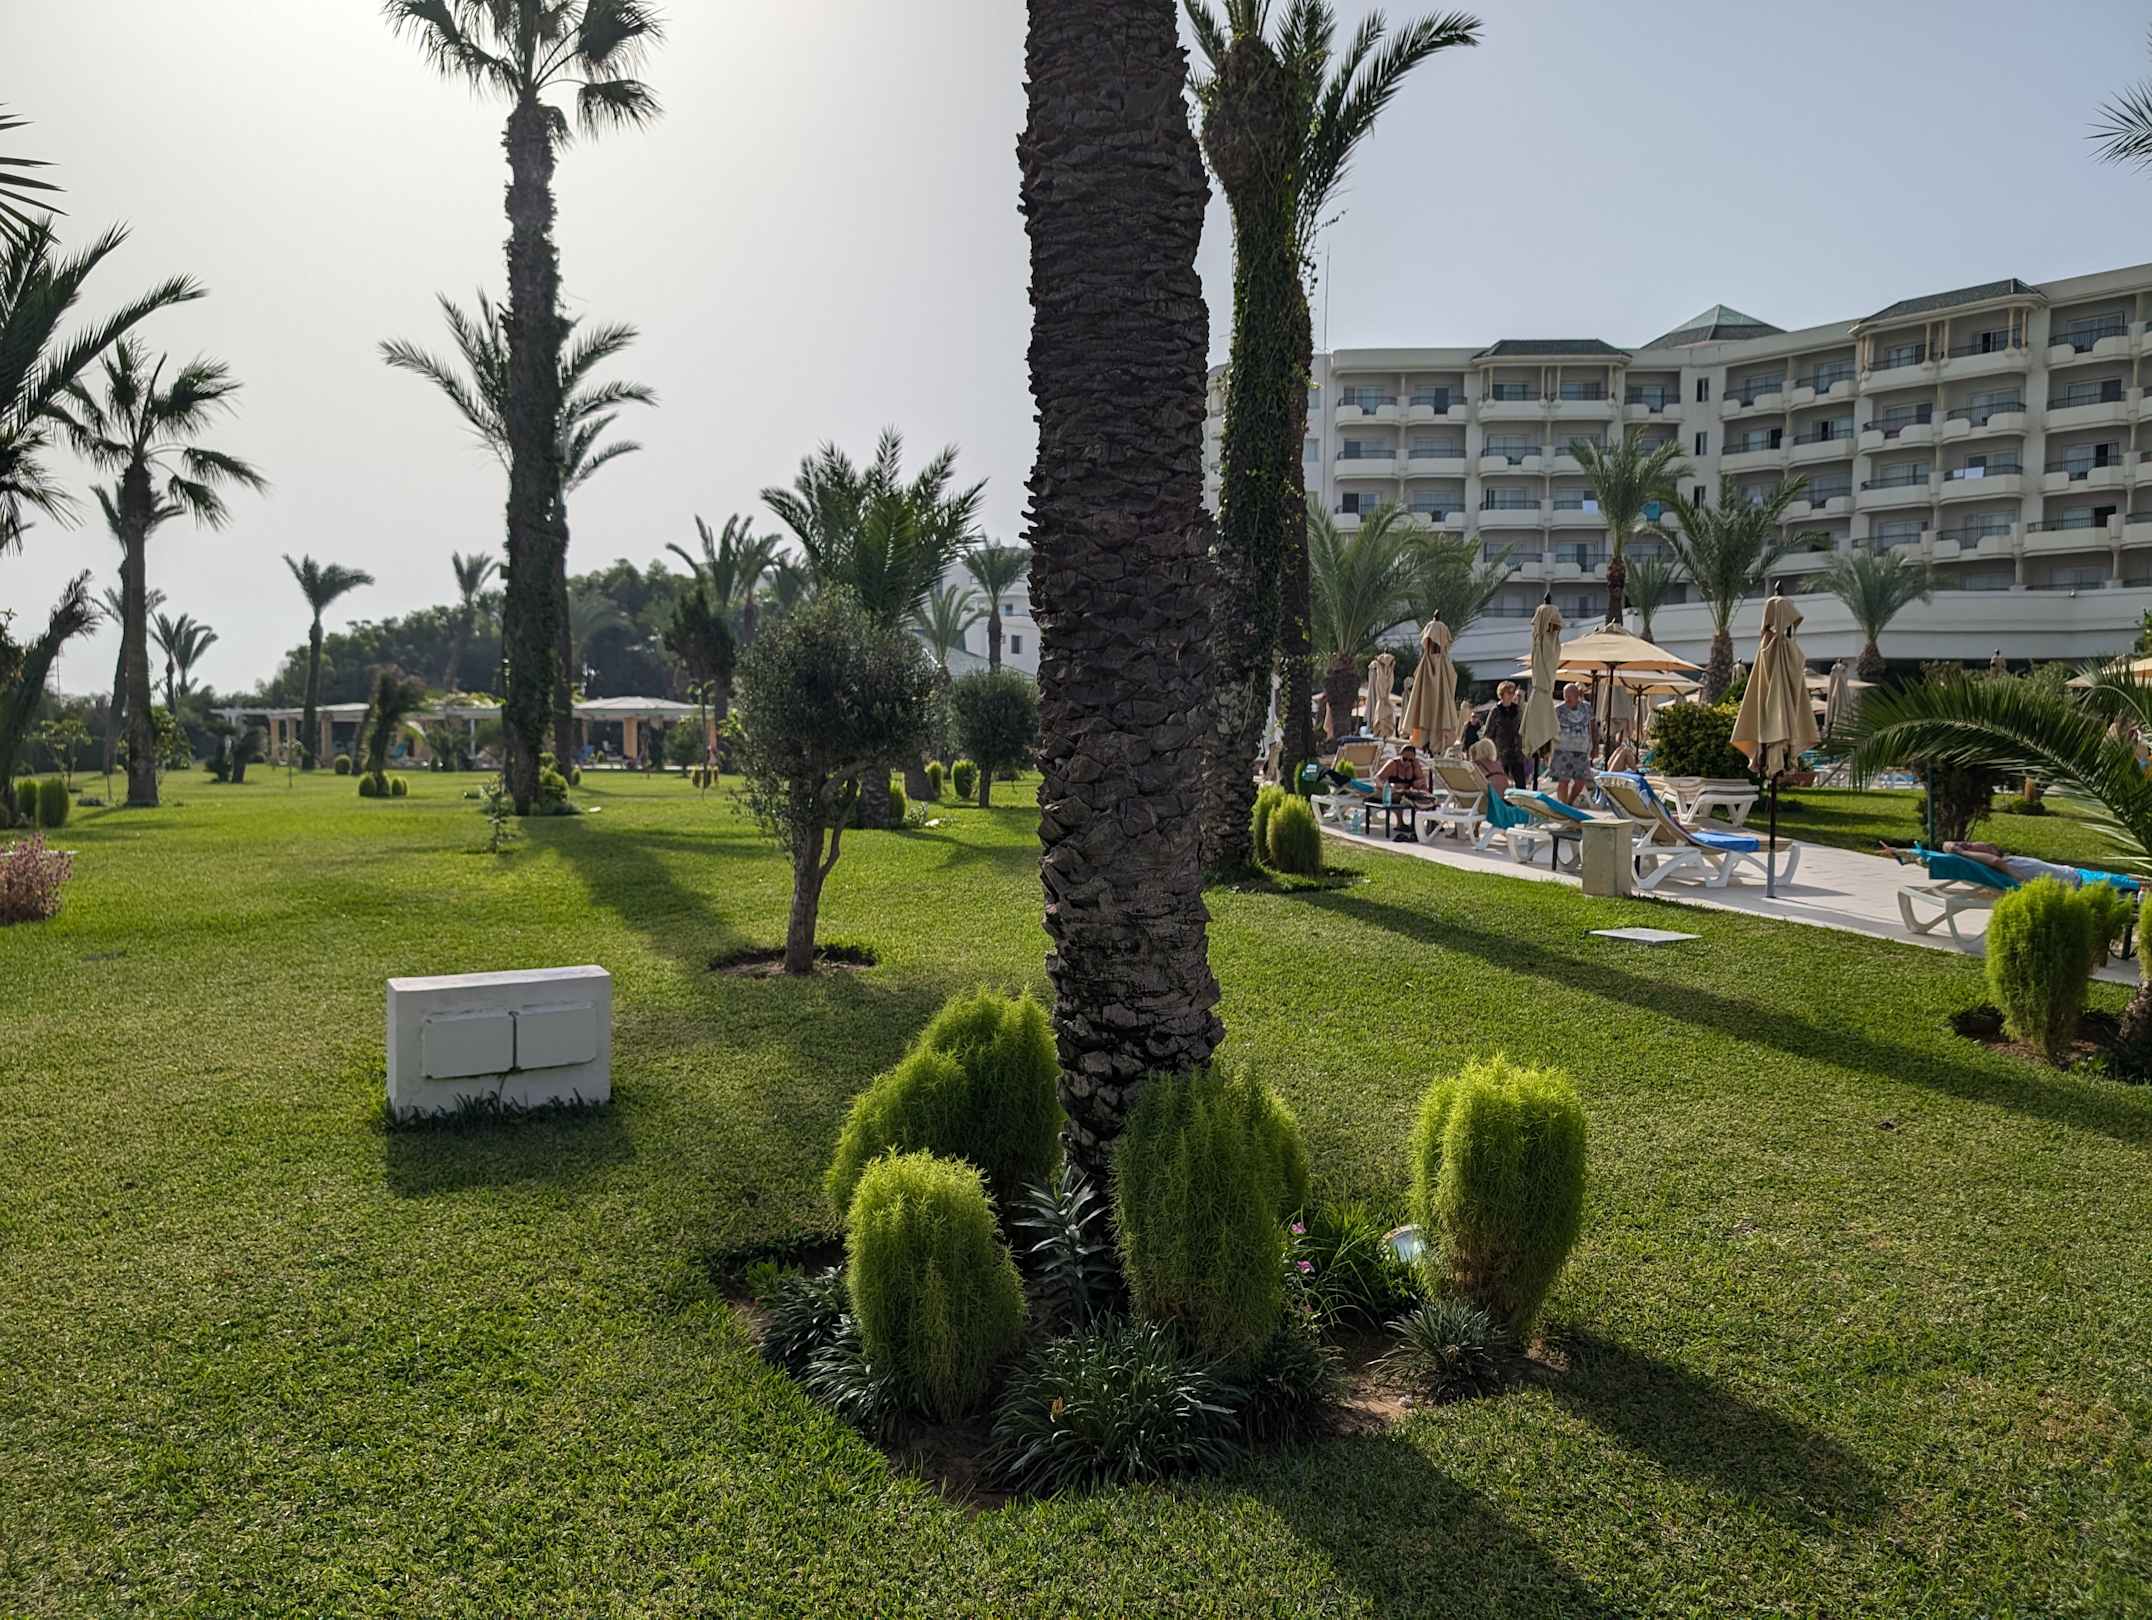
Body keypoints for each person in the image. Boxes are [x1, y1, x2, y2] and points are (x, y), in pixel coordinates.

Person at [1880, 840, 2104, 889]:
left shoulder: (2005, 861)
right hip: (2081, 881)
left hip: (2078, 875)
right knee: (2124, 886)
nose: (1982, 843)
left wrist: (1959, 849)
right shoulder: (2000, 864)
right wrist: (1962, 851)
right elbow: (1995, 860)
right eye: (1973, 844)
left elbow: (1946, 846)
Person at [1549, 682, 1596, 805]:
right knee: (1563, 781)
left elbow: (1593, 727)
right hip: (1562, 750)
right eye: (1565, 696)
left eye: (1569, 696)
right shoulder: (1558, 710)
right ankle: (1563, 806)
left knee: (1580, 781)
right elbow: (1550, 729)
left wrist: (1594, 745)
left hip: (1581, 751)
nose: (1567, 699)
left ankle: (1569, 803)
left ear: (1577, 695)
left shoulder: (1587, 708)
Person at [1484, 681, 1528, 791]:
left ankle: (1520, 801)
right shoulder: (1495, 710)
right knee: (1500, 782)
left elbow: (1523, 728)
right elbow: (1488, 733)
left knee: (1521, 784)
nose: (1511, 695)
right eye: (1509, 692)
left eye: (1513, 692)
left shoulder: (1517, 709)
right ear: (1502, 694)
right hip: (1501, 753)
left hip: (1516, 752)